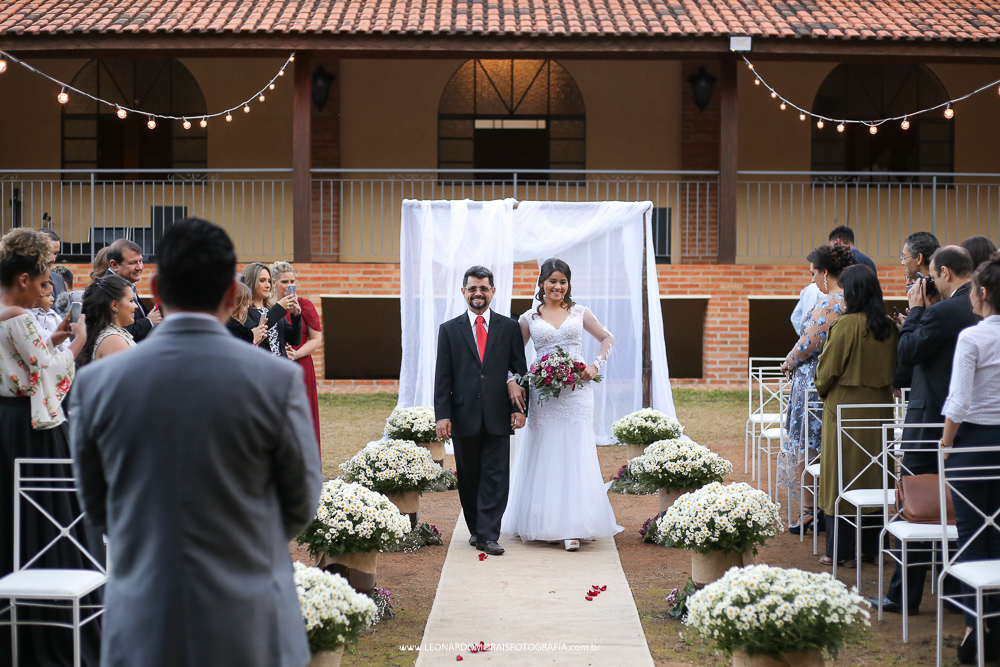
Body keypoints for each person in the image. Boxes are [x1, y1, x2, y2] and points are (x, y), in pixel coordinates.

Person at [70, 218, 323, 667]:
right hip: (250, 616)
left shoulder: (99, 384)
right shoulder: (275, 380)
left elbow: (96, 506)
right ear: (231, 294)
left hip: (145, 617)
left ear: (155, 290)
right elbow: (301, 500)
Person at [0, 228, 96, 666]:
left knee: (9, 514)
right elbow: (50, 369)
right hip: (30, 426)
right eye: (41, 281)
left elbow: (29, 357)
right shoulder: (16, 315)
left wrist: (51, 342)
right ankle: (48, 620)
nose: (45, 288)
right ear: (22, 279)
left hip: (6, 420)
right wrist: (76, 339)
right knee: (46, 510)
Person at [869, 246, 979, 615]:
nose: (926, 284)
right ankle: (956, 591)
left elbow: (908, 352)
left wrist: (917, 312)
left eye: (930, 277)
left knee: (914, 504)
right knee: (961, 508)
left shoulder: (946, 312)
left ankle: (903, 596)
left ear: (944, 273)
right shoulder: (976, 309)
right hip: (968, 424)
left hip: (930, 418)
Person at [501, 259, 623, 552]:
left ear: (568, 285)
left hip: (576, 393)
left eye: (563, 282)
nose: (558, 287)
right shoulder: (529, 318)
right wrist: (511, 380)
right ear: (542, 283)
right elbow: (509, 354)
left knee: (574, 449)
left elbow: (608, 337)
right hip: (543, 394)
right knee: (546, 450)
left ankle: (574, 526)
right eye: (552, 281)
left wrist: (594, 365)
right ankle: (543, 521)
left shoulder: (580, 312)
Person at [434, 265, 528, 556]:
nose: (478, 293)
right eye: (473, 288)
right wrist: (443, 415)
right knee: (470, 476)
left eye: (483, 288)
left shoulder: (509, 327)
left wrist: (521, 409)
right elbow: (443, 376)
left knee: (496, 475)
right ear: (463, 292)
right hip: (463, 416)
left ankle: (489, 533)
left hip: (499, 413)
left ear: (493, 292)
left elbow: (519, 371)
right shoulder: (449, 330)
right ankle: (477, 528)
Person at [815, 264, 898, 565]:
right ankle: (873, 548)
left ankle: (842, 552)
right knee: (874, 475)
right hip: (878, 409)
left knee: (843, 476)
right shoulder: (889, 325)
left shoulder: (846, 325)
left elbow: (826, 371)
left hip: (845, 410)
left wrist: (824, 389)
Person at [940, 252, 1000, 664]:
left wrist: (945, 445)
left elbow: (959, 400)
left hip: (974, 446)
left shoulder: (974, 337)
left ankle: (975, 628)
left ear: (981, 293)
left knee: (972, 536)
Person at [778, 244, 855, 534]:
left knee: (807, 447)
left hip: (813, 384)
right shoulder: (850, 299)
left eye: (813, 273)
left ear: (825, 273)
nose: (811, 280)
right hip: (828, 382)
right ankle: (822, 508)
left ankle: (811, 511)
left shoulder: (830, 302)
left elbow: (809, 342)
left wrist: (788, 361)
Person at [271, 261, 324, 448]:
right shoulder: (269, 308)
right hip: (274, 365)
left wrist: (297, 354)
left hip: (301, 364)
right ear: (274, 283)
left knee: (305, 412)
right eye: (284, 282)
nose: (289, 286)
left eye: (293, 281)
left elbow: (316, 339)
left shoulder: (304, 305)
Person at [894, 231, 941, 391]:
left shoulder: (929, 292)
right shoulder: (937, 287)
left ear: (919, 258)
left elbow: (916, 345)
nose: (902, 263)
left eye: (904, 257)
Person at [105, 239, 162, 342]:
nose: (139, 267)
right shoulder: (106, 289)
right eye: (133, 263)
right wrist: (149, 322)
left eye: (140, 261)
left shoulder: (126, 285)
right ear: (114, 265)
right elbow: (114, 332)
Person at [241, 262, 301, 358]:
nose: (268, 285)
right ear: (251, 282)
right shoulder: (244, 310)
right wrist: (279, 307)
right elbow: (257, 331)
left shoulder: (271, 309)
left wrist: (296, 316)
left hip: (280, 366)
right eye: (262, 280)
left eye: (269, 281)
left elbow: (294, 340)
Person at [77, 274, 139, 366]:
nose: (136, 306)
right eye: (131, 301)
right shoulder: (113, 341)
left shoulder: (111, 335)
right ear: (114, 305)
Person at [226, 281, 266, 345]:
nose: (246, 309)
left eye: (247, 305)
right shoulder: (232, 332)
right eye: (244, 305)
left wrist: (256, 342)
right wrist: (252, 339)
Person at [29, 279, 62, 344]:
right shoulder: (28, 315)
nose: (52, 299)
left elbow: (65, 343)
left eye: (52, 295)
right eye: (48, 295)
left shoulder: (54, 316)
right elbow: (41, 336)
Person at [38, 228, 67, 299]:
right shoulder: (24, 281)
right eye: (49, 253)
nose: (53, 259)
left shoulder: (59, 279)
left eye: (55, 253)